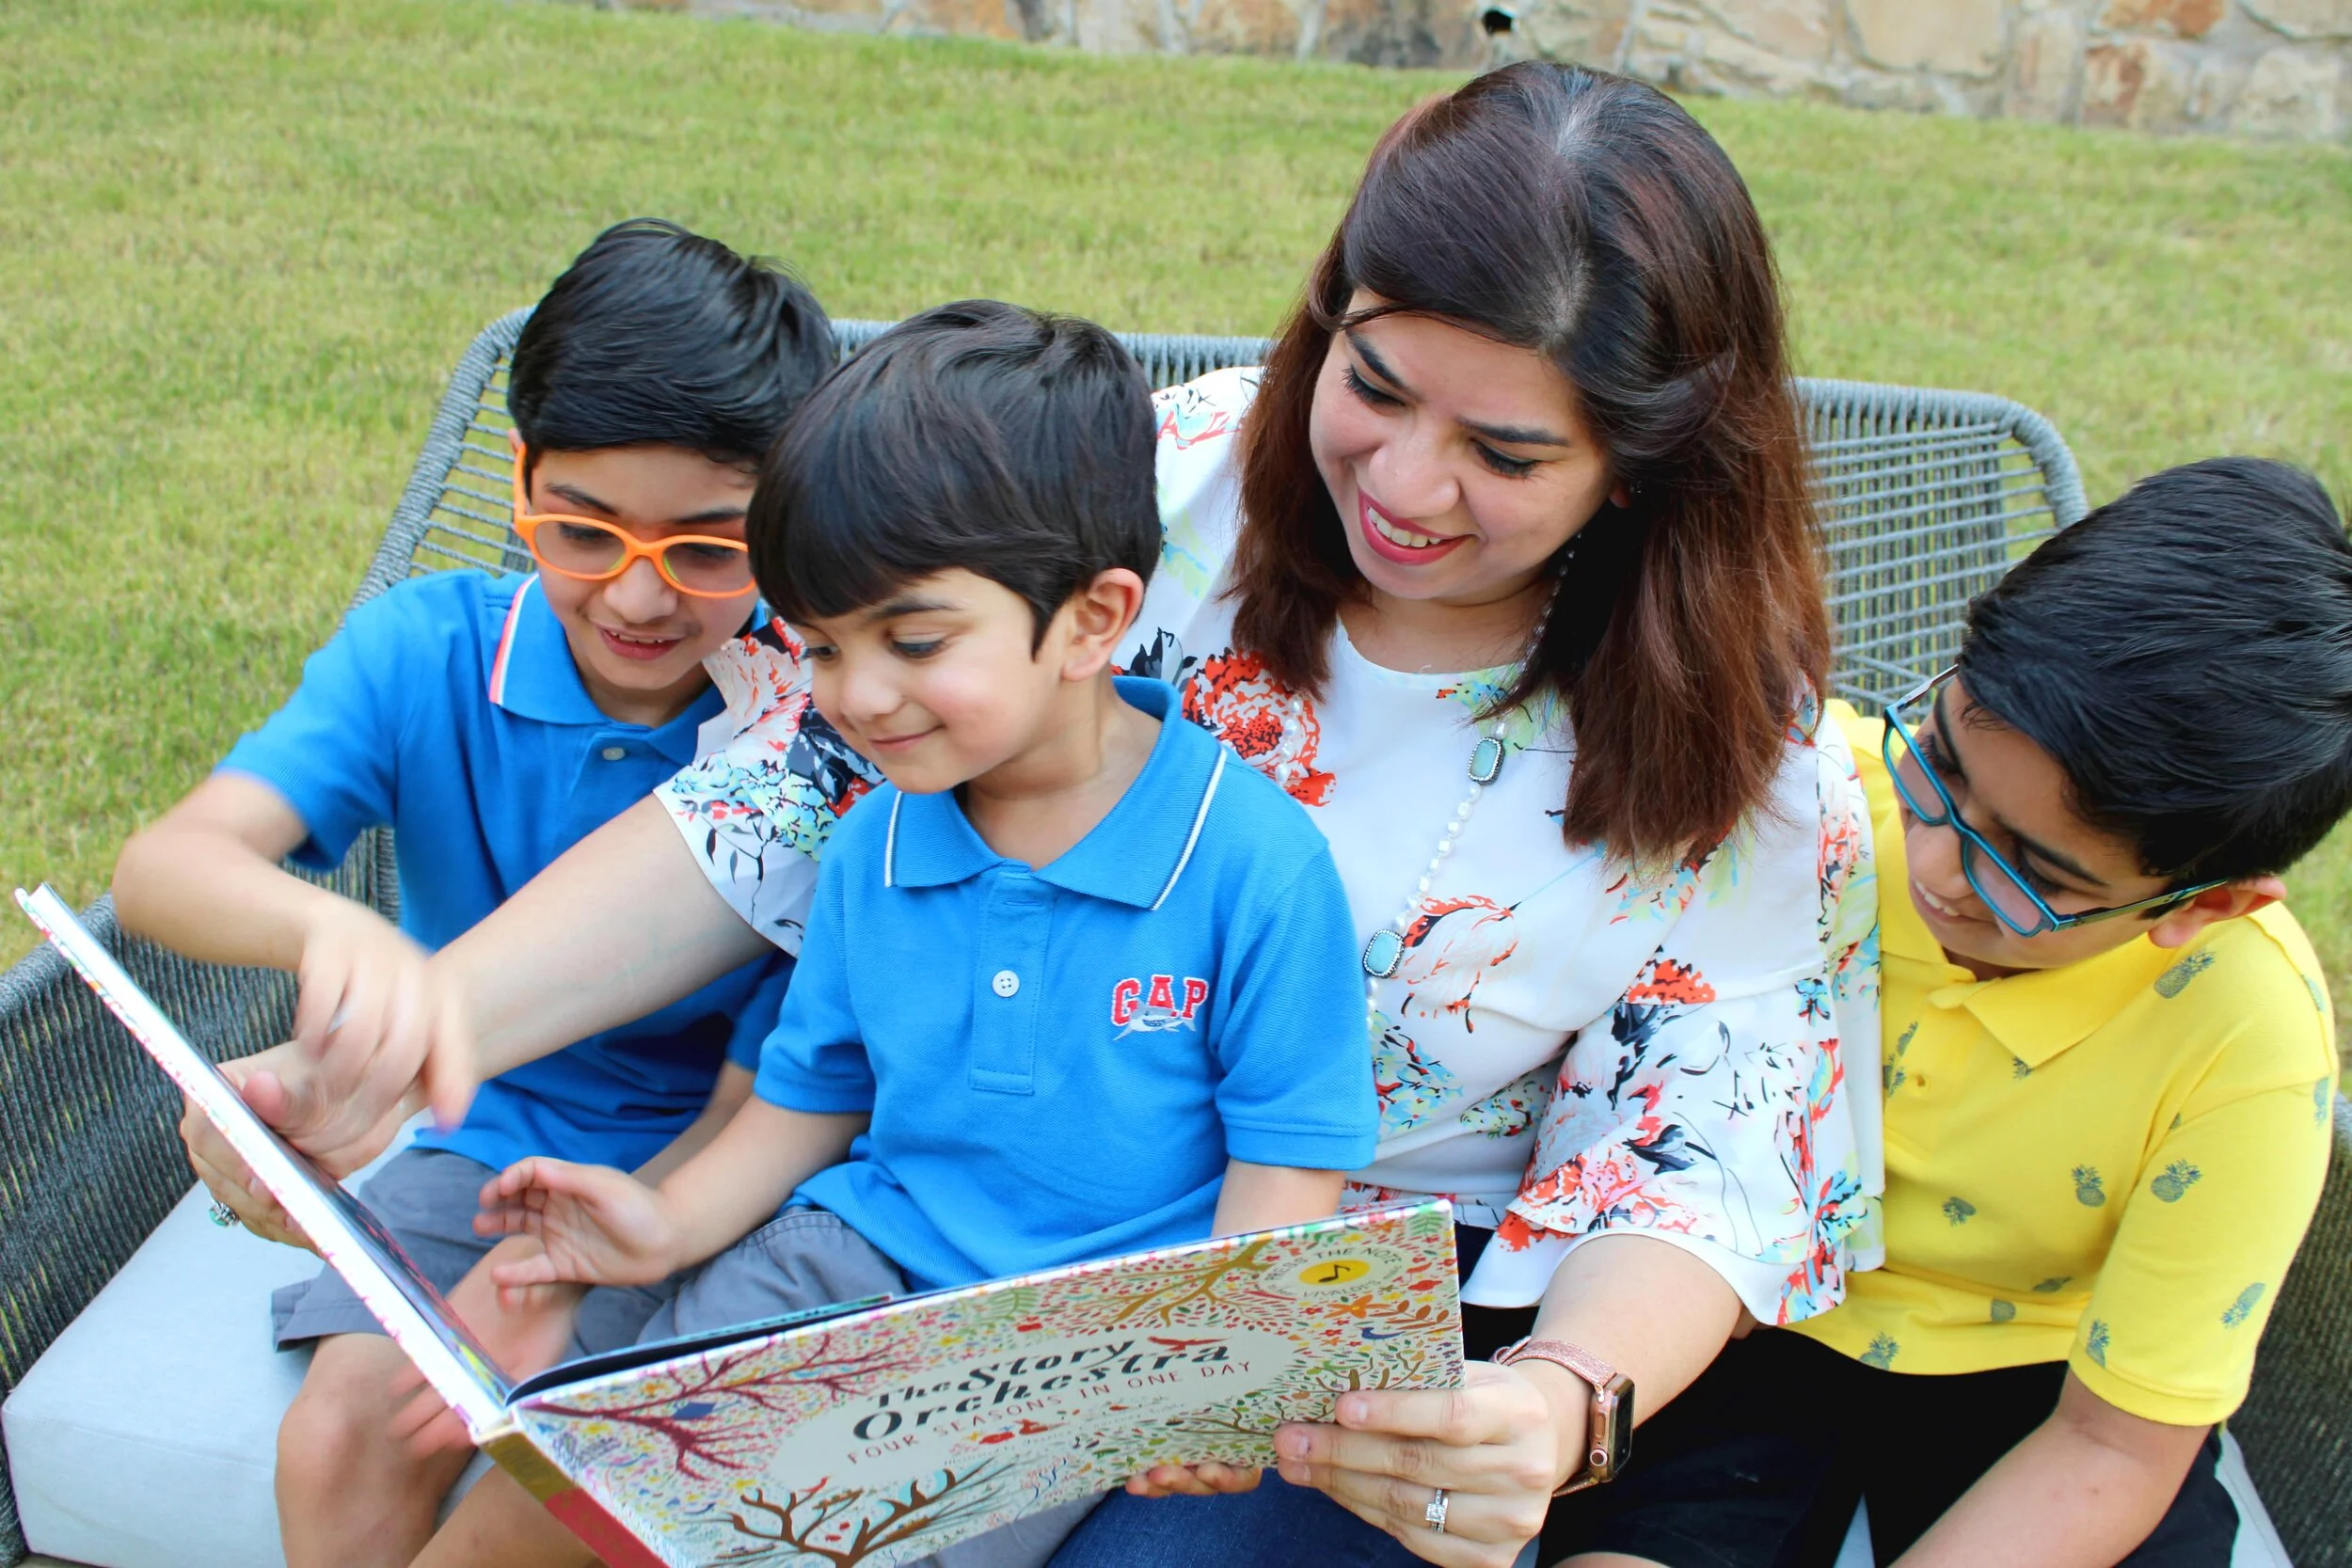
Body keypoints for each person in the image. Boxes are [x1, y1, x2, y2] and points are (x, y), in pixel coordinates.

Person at [183, 63, 1882, 1568]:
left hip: (1308, 1313)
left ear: (1641, 462)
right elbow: (790, 801)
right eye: (1373, 383)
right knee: (589, 1499)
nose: (1406, 483)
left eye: (1504, 454)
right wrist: (407, 1039)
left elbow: (1707, 1158)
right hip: (945, 1203)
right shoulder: (1158, 490)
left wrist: (1562, 1399)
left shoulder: (1740, 755)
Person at [421, 299, 1380, 1568]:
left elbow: (1286, 1169)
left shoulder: (1252, 862)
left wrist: (1223, 1376)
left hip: (1071, 1343)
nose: (859, 695)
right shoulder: (875, 837)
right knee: (573, 1487)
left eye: (914, 640)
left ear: (1093, 619)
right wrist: (665, 1222)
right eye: (822, 646)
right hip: (847, 1258)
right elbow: (807, 1101)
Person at [114, 217, 832, 1568]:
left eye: (707, 550)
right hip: (479, 1133)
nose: (637, 595)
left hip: (743, 1170)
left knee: (573, 1481)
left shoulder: (834, 725)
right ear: (520, 480)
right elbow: (164, 868)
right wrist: (327, 926)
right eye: (583, 530)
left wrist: (564, 1263)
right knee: (343, 1433)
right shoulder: (429, 654)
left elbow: (772, 1104)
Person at [1558, 458, 2347, 1568]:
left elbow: (2114, 1447)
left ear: (2203, 904)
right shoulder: (1806, 800)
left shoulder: (2248, 1038)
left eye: (2034, 873)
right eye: (1939, 763)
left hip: (2035, 1374)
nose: (1934, 865)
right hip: (1739, 1307)